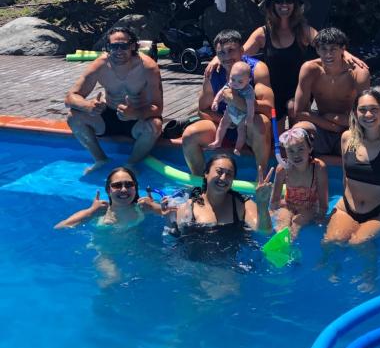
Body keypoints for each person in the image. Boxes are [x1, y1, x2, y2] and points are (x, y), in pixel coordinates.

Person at [204, 0, 367, 126]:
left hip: (299, 88)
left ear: (295, 5)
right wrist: (217, 57)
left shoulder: (303, 30)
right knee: (277, 132)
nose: (284, 4)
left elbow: (328, 45)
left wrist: (347, 55)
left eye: (289, 0)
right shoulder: (262, 33)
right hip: (272, 88)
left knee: (293, 111)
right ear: (271, 5)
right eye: (278, 1)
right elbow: (239, 53)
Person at [65, 28, 163, 174]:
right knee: (73, 117)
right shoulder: (100, 65)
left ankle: (130, 165)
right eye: (114, 46)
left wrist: (135, 113)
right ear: (108, 47)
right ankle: (100, 159)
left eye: (123, 46)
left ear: (133, 46)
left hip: (136, 120)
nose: (119, 51)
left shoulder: (148, 68)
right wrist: (88, 106)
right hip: (108, 116)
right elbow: (70, 97)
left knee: (155, 126)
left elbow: (157, 107)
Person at [323, 89, 380, 245]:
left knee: (358, 243)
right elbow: (345, 177)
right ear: (355, 113)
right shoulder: (347, 138)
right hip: (347, 209)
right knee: (331, 242)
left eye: (374, 109)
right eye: (362, 110)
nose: (368, 115)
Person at [182, 29, 273, 175]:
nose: (227, 57)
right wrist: (227, 122)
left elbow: (269, 109)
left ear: (242, 51)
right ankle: (201, 185)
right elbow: (202, 110)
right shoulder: (213, 73)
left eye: (231, 51)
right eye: (221, 53)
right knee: (189, 136)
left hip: (249, 128)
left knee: (262, 124)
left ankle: (261, 180)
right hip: (224, 126)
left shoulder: (257, 69)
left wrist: (237, 101)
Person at [293, 27, 370, 157]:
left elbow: (365, 114)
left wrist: (334, 119)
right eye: (324, 49)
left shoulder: (358, 73)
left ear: (342, 49)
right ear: (317, 50)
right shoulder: (310, 69)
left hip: (349, 126)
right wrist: (332, 125)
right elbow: (299, 112)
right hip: (322, 124)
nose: (328, 54)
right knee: (296, 135)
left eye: (333, 49)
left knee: (354, 152)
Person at [163, 154, 274, 238]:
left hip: (231, 266)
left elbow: (264, 232)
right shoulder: (189, 208)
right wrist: (169, 219)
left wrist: (263, 205)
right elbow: (173, 238)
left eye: (229, 174)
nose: (223, 178)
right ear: (206, 173)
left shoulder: (242, 205)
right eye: (219, 172)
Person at [54, 167, 161, 229]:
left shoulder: (143, 207)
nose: (124, 189)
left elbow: (173, 213)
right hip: (106, 255)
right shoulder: (99, 212)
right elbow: (60, 227)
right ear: (108, 190)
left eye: (129, 184)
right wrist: (91, 212)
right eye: (117, 185)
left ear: (135, 188)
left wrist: (154, 207)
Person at [270, 127, 328, 239]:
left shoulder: (318, 168)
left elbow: (323, 205)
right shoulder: (282, 169)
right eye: (290, 151)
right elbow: (274, 201)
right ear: (285, 152)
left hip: (310, 208)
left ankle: (291, 246)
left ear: (310, 148)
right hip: (288, 205)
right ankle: (281, 244)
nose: (296, 155)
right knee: (282, 224)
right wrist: (272, 214)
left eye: (300, 149)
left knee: (297, 224)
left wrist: (320, 218)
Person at [208, 61, 255, 156]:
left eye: (240, 81)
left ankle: (237, 148)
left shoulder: (249, 91)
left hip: (242, 116)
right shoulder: (230, 84)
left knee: (241, 132)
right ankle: (218, 141)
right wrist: (215, 101)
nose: (235, 83)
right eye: (232, 79)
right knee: (222, 124)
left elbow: (250, 106)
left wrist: (250, 117)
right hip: (230, 112)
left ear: (249, 80)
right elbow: (221, 92)